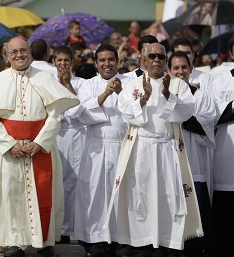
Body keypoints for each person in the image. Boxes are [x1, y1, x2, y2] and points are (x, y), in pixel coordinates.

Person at [0, 36, 79, 257]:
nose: (19, 55)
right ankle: (16, 243)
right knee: (12, 196)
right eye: (14, 52)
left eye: (23, 50)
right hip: (9, 149)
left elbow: (55, 116)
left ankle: (45, 242)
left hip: (39, 147)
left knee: (43, 194)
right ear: (7, 55)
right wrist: (9, 144)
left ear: (30, 53)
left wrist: (40, 142)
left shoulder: (45, 78)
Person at [106, 43, 201, 257]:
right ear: (144, 60)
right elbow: (125, 112)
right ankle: (143, 242)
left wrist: (168, 94)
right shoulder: (132, 84)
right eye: (152, 56)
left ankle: (168, 242)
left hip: (167, 149)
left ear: (165, 59)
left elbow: (186, 112)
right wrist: (145, 98)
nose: (157, 60)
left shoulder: (177, 85)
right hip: (142, 149)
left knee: (169, 195)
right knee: (140, 195)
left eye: (161, 56)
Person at [74, 44, 131, 257]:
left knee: (121, 195)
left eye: (111, 60)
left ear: (118, 61)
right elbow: (81, 114)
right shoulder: (89, 85)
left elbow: (137, 112)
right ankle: (96, 239)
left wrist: (121, 93)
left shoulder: (129, 83)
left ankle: (121, 240)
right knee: (95, 194)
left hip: (122, 146)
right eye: (102, 60)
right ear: (96, 63)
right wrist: (106, 93)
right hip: (96, 147)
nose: (107, 64)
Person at [167, 51, 218, 257]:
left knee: (196, 210)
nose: (180, 72)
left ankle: (194, 248)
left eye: (184, 67)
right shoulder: (163, 95)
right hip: (168, 160)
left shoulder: (202, 95)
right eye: (176, 68)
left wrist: (180, 112)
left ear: (191, 69)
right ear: (168, 71)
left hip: (193, 161)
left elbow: (205, 123)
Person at [50, 45, 91, 245]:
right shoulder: (48, 82)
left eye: (66, 60)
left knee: (74, 182)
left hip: (77, 135)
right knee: (57, 181)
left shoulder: (81, 83)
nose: (63, 64)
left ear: (72, 62)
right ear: (53, 62)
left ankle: (73, 227)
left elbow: (80, 108)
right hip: (56, 135)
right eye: (59, 61)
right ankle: (58, 227)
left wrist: (68, 86)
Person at [209, 34, 234, 257]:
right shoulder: (219, 81)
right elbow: (213, 115)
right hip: (226, 147)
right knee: (226, 205)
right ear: (232, 53)